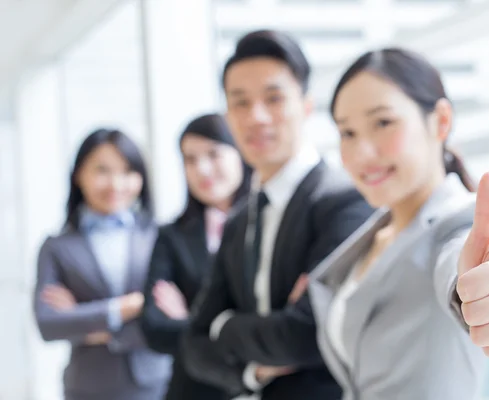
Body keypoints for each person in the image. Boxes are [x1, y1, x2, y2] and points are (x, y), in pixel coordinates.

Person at [306, 48, 489, 400]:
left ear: (441, 122)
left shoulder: (458, 221)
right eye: (348, 133)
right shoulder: (373, 236)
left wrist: (483, 291)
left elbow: (460, 257)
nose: (361, 153)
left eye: (383, 122)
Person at [181, 30, 374, 400]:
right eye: (240, 102)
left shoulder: (344, 201)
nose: (256, 117)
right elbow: (193, 345)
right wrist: (253, 371)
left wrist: (225, 326)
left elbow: (307, 335)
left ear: (305, 105)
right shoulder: (239, 221)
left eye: (273, 98)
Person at [33, 129, 171, 400]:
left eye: (127, 171)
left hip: (158, 385)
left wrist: (84, 320)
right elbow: (48, 324)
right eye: (102, 170)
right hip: (88, 388)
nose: (116, 184)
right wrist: (122, 308)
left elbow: (176, 319)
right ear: (79, 174)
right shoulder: (56, 247)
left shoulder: (161, 236)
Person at [140, 113, 251, 400]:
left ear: (241, 152)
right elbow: (153, 328)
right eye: (190, 160)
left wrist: (189, 319)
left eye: (213, 154)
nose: (202, 169)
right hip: (193, 390)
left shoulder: (267, 222)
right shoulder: (172, 236)